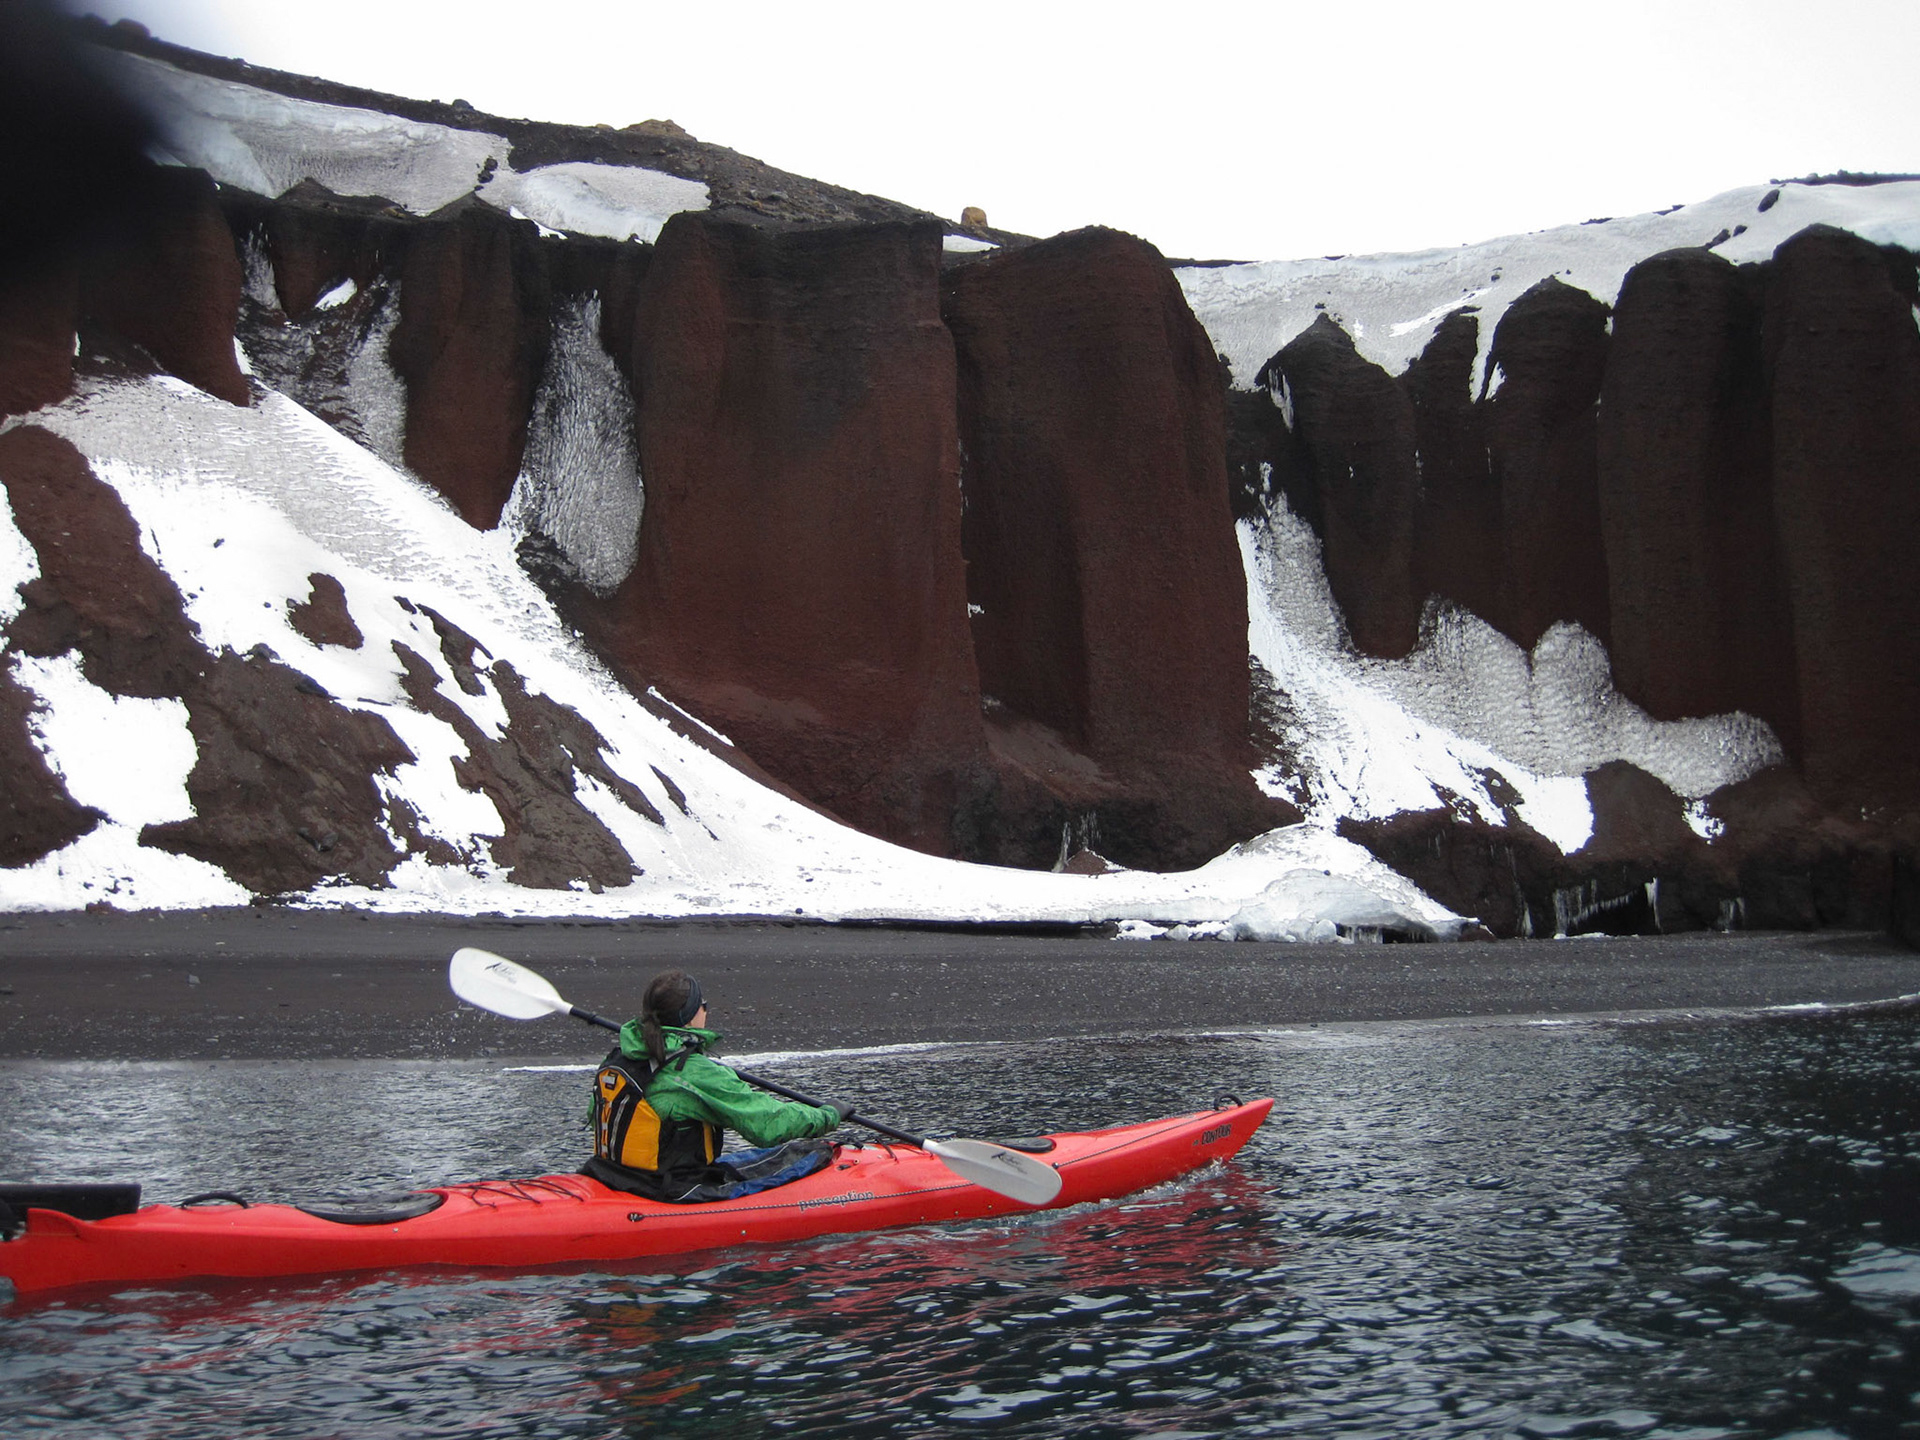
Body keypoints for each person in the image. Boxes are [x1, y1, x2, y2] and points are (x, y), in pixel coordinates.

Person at [582, 969, 851, 1203]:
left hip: (613, 1176)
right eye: (703, 1004)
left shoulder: (618, 1058)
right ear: (689, 1017)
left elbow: (594, 1118)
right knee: (811, 1158)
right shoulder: (693, 1072)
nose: (706, 1010)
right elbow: (768, 1124)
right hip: (669, 1191)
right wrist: (827, 1116)